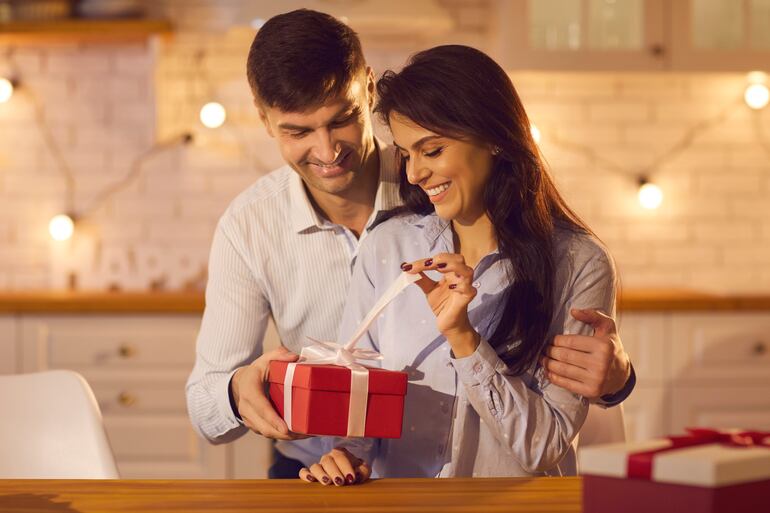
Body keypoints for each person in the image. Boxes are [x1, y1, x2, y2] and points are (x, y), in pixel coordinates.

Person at [186, 10, 635, 480]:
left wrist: (618, 380)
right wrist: (241, 392)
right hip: (326, 465)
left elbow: (549, 427)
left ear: (368, 87)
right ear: (264, 120)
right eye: (298, 132)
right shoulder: (254, 225)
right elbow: (207, 404)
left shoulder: (443, 197)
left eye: (341, 120)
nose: (326, 150)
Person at [299, 44, 624, 485]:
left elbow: (542, 447)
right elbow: (361, 390)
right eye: (407, 155)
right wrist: (345, 453)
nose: (414, 175)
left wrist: (464, 338)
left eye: (432, 151)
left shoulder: (578, 264)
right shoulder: (388, 245)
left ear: (492, 137)